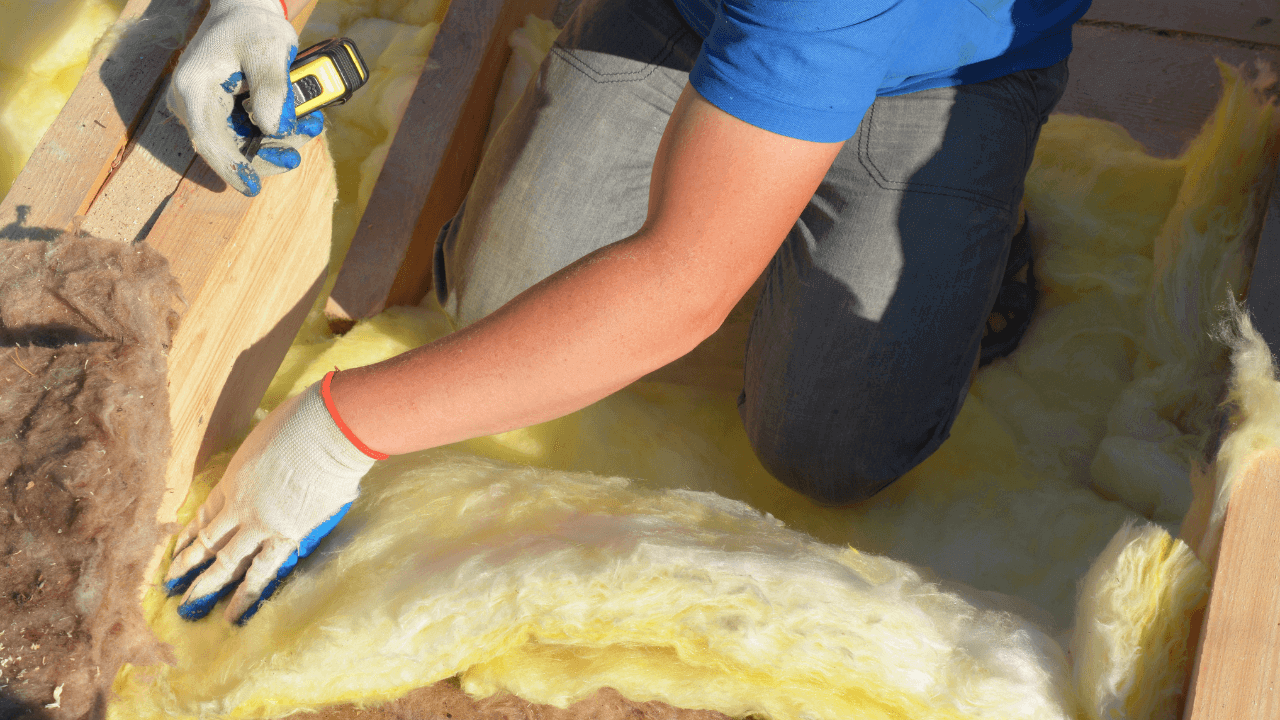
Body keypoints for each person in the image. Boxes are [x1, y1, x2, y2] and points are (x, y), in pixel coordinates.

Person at [162, 0, 1085, 623]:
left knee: (835, 442)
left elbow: (685, 285)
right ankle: (746, 145)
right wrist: (255, 7)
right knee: (502, 308)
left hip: (935, 71)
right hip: (694, 16)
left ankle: (965, 231)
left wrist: (334, 433)